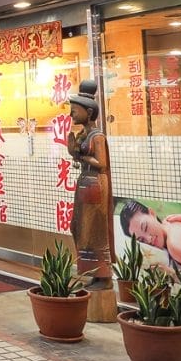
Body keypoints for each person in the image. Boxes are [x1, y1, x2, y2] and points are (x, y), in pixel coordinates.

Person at [66, 79, 115, 290]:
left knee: (94, 230)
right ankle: (92, 272)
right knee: (80, 227)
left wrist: (81, 157)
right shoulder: (85, 135)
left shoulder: (97, 136)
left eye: (75, 111)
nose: (71, 115)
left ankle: (103, 275)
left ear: (88, 111)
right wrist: (74, 151)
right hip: (86, 184)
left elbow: (101, 163)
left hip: (95, 185)